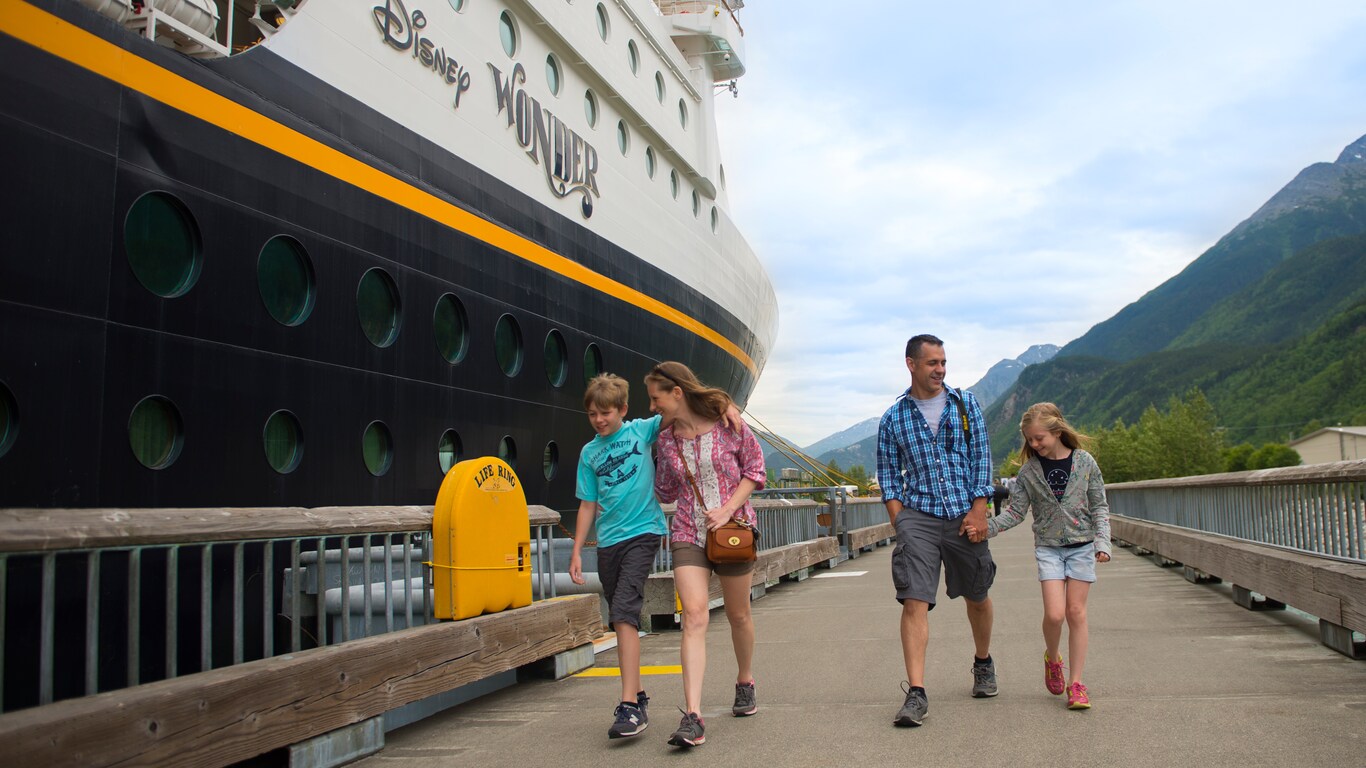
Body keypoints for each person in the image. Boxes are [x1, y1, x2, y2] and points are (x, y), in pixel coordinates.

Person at [876, 334, 997, 728]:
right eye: (932, 363)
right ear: (911, 364)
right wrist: (901, 521)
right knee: (914, 598)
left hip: (965, 513)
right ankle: (916, 692)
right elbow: (889, 476)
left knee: (977, 595)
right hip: (920, 516)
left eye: (943, 362)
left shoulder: (965, 404)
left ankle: (983, 662)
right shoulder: (893, 418)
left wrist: (980, 510)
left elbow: (982, 459)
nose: (940, 369)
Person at [647, 361, 767, 748]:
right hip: (687, 532)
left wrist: (729, 507)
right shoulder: (665, 439)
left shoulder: (728, 424)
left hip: (733, 531)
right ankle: (693, 715)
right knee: (694, 615)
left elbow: (756, 469)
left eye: (655, 398)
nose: (652, 407)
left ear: (676, 393)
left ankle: (745, 680)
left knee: (738, 615)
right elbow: (666, 491)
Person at [976, 402, 1111, 710]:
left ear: (1057, 431)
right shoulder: (1028, 472)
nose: (1034, 445)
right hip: (1049, 548)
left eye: (1039, 439)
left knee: (1076, 613)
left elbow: (1100, 506)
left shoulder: (1085, 462)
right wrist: (986, 528)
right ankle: (1053, 658)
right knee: (1055, 614)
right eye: (1030, 440)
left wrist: (1103, 542)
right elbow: (1015, 513)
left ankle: (1076, 683)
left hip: (1082, 546)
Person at [570, 373, 669, 739]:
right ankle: (639, 696)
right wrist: (578, 550)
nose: (599, 420)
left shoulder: (641, 432)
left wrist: (724, 408)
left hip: (644, 534)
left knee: (624, 611)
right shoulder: (589, 453)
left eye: (606, 413)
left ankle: (628, 706)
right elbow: (587, 504)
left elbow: (676, 408)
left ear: (623, 410)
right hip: (609, 542)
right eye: (593, 414)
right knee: (620, 617)